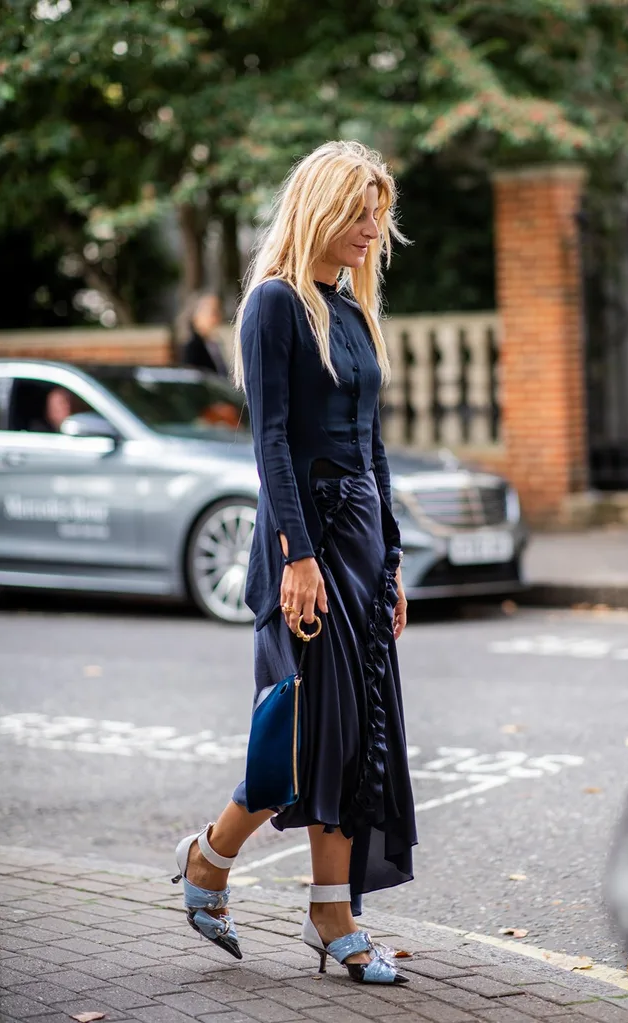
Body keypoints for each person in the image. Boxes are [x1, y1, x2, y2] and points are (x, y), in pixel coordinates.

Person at [172, 141, 417, 986]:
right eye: (357, 211)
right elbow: (270, 442)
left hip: (356, 550)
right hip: (302, 548)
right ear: (317, 207)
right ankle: (221, 862)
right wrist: (297, 555)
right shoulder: (273, 306)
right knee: (304, 734)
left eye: (377, 213)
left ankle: (312, 902)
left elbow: (372, 447)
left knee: (350, 743)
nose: (369, 228)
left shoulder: (349, 312)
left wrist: (390, 563)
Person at [182, 293, 229, 376]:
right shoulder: (193, 347)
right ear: (197, 317)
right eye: (213, 313)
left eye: (219, 312)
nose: (217, 318)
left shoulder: (215, 343)